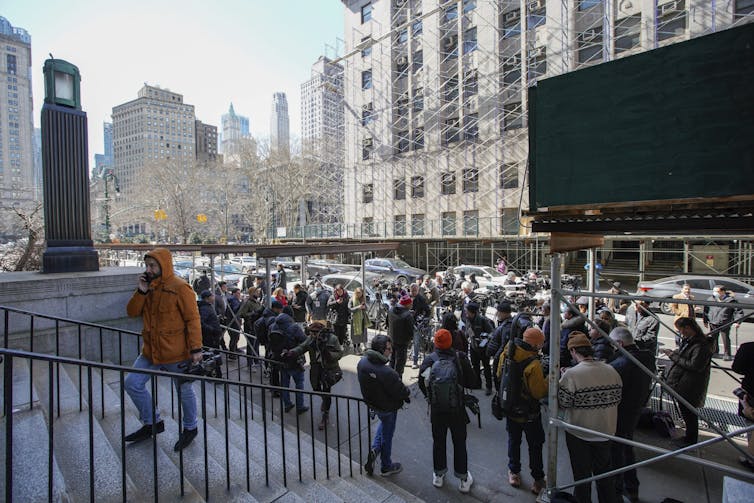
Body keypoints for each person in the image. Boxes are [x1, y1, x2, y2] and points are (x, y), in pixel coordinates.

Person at [125, 248, 203, 452]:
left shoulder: (180, 288)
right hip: (151, 350)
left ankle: (190, 427)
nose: (149, 270)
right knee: (132, 383)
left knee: (184, 389)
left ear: (164, 266)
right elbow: (132, 312)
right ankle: (152, 422)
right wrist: (141, 291)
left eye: (153, 266)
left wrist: (196, 348)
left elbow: (193, 319)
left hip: (176, 351)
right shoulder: (148, 287)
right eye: (147, 266)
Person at [558, 331, 622, 503]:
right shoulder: (611, 370)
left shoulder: (571, 375)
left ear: (573, 352)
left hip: (580, 433)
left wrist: (564, 376)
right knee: (605, 476)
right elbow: (617, 398)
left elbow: (563, 403)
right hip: (606, 431)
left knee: (582, 477)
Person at [418, 329, 478, 494]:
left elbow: (421, 382)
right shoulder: (460, 358)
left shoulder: (430, 360)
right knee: (459, 442)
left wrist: (431, 397)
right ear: (450, 341)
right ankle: (463, 479)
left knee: (439, 442)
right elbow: (473, 381)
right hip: (457, 409)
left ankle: (438, 475)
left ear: (436, 343)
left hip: (437, 410)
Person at [496, 327, 548, 495]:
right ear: (535, 345)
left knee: (514, 441)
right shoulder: (533, 364)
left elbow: (499, 373)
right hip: (529, 413)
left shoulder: (507, 352)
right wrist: (550, 379)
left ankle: (514, 472)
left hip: (510, 408)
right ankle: (538, 479)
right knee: (535, 445)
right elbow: (538, 392)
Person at [609, 327, 655, 503]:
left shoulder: (624, 363)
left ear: (620, 344)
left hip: (621, 410)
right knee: (626, 448)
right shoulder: (646, 357)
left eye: (613, 345)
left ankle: (617, 490)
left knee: (617, 451)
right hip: (635, 409)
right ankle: (631, 488)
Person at [358, 335, 410, 477]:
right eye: (388, 349)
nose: (391, 351)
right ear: (381, 350)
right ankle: (386, 466)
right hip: (388, 408)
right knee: (387, 435)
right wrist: (406, 394)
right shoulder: (387, 372)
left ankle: (375, 449)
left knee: (383, 427)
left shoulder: (362, 363)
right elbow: (402, 391)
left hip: (374, 405)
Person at [662, 317, 713, 446]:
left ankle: (691, 439)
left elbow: (694, 365)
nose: (681, 333)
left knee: (689, 413)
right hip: (684, 382)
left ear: (688, 328)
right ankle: (689, 437)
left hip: (691, 384)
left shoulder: (701, 345)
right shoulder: (691, 341)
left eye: (681, 330)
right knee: (686, 411)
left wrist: (673, 356)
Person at [289, 322, 343, 430]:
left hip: (329, 369)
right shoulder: (310, 339)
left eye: (315, 333)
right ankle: (324, 398)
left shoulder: (332, 339)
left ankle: (325, 415)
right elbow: (302, 347)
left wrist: (327, 353)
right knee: (316, 388)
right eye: (311, 333)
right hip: (316, 368)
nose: (312, 335)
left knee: (327, 390)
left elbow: (339, 353)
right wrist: (292, 352)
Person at [270, 310, 310, 415]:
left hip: (280, 359)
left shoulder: (273, 326)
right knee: (299, 383)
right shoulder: (294, 327)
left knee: (284, 383)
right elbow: (305, 341)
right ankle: (300, 406)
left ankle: (287, 404)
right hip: (295, 359)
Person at [463, 302, 496, 395]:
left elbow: (492, 333)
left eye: (467, 312)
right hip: (473, 346)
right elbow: (467, 331)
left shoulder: (483, 320)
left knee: (486, 367)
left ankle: (489, 387)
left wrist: (484, 339)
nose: (466, 313)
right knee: (475, 366)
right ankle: (477, 384)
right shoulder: (468, 320)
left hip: (483, 348)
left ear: (472, 312)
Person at [703, 285, 743, 360]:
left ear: (723, 292)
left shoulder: (730, 300)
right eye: (714, 291)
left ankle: (727, 354)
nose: (715, 293)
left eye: (717, 291)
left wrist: (738, 321)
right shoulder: (710, 299)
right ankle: (715, 351)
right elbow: (706, 310)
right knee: (713, 338)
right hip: (713, 322)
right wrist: (705, 320)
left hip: (725, 322)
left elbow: (738, 311)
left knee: (725, 339)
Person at [732, 341, 754, 471]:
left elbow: (737, 368)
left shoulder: (748, 347)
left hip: (750, 392)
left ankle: (751, 458)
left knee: (750, 425)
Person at [388, 295, 414, 377]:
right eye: (411, 304)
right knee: (400, 363)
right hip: (402, 343)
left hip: (392, 339)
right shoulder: (407, 315)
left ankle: (389, 379)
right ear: (407, 305)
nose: (411, 306)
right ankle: (397, 383)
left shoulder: (391, 309)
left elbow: (386, 323)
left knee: (392, 360)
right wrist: (409, 341)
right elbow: (410, 332)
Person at [237, 287, 264, 357]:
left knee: (256, 344)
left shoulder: (257, 302)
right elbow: (242, 314)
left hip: (257, 325)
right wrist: (253, 313)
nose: (258, 293)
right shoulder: (247, 302)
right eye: (256, 292)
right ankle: (250, 361)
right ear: (252, 293)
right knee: (251, 344)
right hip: (250, 325)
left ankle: (256, 359)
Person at [350, 287, 371, 355]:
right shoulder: (352, 299)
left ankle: (363, 347)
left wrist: (364, 307)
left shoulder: (363, 299)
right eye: (358, 293)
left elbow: (366, 308)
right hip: (355, 320)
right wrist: (358, 307)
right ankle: (356, 349)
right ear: (355, 292)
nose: (359, 294)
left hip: (362, 319)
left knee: (363, 333)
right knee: (355, 335)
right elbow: (350, 309)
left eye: (360, 293)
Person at [226, 287, 243, 358]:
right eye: (238, 293)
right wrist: (242, 303)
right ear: (234, 293)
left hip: (235, 321)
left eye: (239, 293)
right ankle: (232, 353)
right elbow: (235, 310)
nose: (239, 294)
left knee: (236, 337)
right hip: (233, 322)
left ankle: (234, 349)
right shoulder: (234, 300)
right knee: (234, 337)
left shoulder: (235, 300)